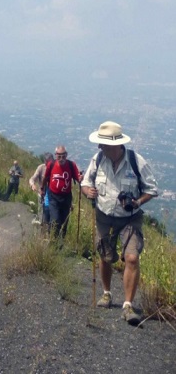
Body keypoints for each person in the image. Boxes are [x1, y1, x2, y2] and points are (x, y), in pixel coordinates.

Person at [81, 121, 158, 326]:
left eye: (103, 144)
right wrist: (87, 191)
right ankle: (106, 294)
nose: (99, 147)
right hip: (104, 216)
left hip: (130, 218)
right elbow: (85, 183)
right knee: (105, 256)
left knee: (132, 258)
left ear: (115, 145)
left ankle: (128, 305)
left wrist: (137, 202)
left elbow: (152, 188)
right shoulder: (98, 159)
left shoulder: (135, 161)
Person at [42, 145, 82, 239]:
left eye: (63, 156)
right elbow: (45, 177)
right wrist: (42, 188)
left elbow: (77, 177)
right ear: (56, 155)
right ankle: (53, 241)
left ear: (66, 155)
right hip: (53, 197)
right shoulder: (51, 164)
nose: (61, 158)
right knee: (55, 220)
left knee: (64, 222)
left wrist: (81, 178)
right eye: (59, 156)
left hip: (66, 197)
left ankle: (61, 242)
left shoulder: (71, 165)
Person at [29, 152, 53, 227]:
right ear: (45, 161)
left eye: (51, 161)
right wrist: (32, 185)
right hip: (42, 194)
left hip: (52, 196)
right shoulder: (41, 168)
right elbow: (32, 178)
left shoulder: (56, 168)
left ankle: (49, 231)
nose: (49, 163)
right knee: (41, 213)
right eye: (47, 161)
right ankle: (41, 230)